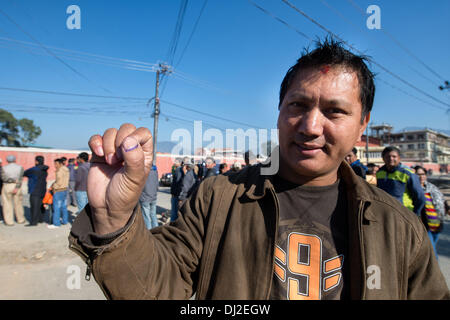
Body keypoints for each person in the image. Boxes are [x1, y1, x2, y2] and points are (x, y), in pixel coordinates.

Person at [69, 38, 449, 300]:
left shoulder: (400, 228)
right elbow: (157, 286)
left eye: (334, 111)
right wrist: (114, 219)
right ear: (280, 111)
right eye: (298, 106)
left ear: (363, 124)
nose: (311, 126)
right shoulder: (219, 198)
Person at [376, 146, 426, 216]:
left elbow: (420, 197)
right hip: (385, 214)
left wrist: (415, 215)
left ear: (399, 158)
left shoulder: (408, 174)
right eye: (388, 156)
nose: (391, 158)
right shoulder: (379, 173)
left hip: (403, 214)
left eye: (394, 156)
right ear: (383, 158)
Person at [414, 166, 446, 260]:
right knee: (432, 254)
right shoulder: (413, 190)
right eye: (418, 174)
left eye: (423, 174)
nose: (421, 177)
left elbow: (443, 201)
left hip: (437, 225)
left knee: (432, 250)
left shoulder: (432, 188)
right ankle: (434, 274)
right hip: (424, 227)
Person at [23, 156, 49, 226]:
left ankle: (33, 222)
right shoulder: (45, 169)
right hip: (43, 189)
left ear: (36, 161)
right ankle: (40, 219)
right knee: (41, 205)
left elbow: (25, 173)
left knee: (34, 207)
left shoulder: (34, 169)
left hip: (35, 189)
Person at [0, 155, 25, 226]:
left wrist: (11, 180)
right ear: (15, 160)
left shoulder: (3, 168)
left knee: (7, 204)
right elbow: (20, 179)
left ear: (7, 161)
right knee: (18, 203)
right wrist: (17, 187)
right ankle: (20, 219)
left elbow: (3, 178)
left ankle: (9, 221)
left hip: (7, 186)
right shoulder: (20, 167)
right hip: (17, 185)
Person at [48, 158, 70, 229]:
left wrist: (53, 187)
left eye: (56, 164)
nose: (55, 165)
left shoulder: (59, 171)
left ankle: (56, 223)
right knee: (63, 206)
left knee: (56, 207)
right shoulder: (66, 169)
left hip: (59, 190)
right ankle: (65, 221)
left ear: (60, 164)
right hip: (65, 189)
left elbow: (59, 182)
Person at [139, 165, 159, 229]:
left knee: (146, 217)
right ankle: (156, 230)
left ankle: (149, 232)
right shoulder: (155, 171)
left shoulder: (143, 172)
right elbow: (157, 185)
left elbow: (140, 185)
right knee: (153, 215)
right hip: (153, 197)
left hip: (145, 198)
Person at [170, 158, 183, 222]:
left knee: (174, 214)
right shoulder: (178, 170)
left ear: (180, 163)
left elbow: (177, 184)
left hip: (175, 195)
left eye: (176, 162)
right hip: (176, 194)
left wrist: (174, 193)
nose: (174, 163)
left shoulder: (178, 171)